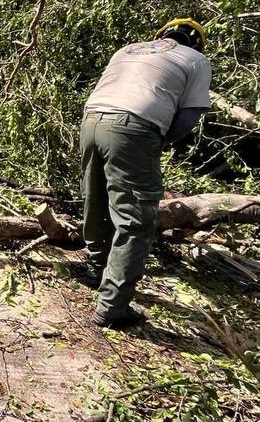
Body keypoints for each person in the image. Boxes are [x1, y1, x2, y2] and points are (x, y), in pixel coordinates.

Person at [80, 18, 211, 329]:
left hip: (91, 118)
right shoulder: (196, 59)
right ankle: (113, 307)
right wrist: (156, 143)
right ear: (196, 42)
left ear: (162, 35)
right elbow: (189, 116)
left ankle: (96, 268)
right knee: (136, 221)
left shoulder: (128, 49)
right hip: (135, 126)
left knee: (95, 198)